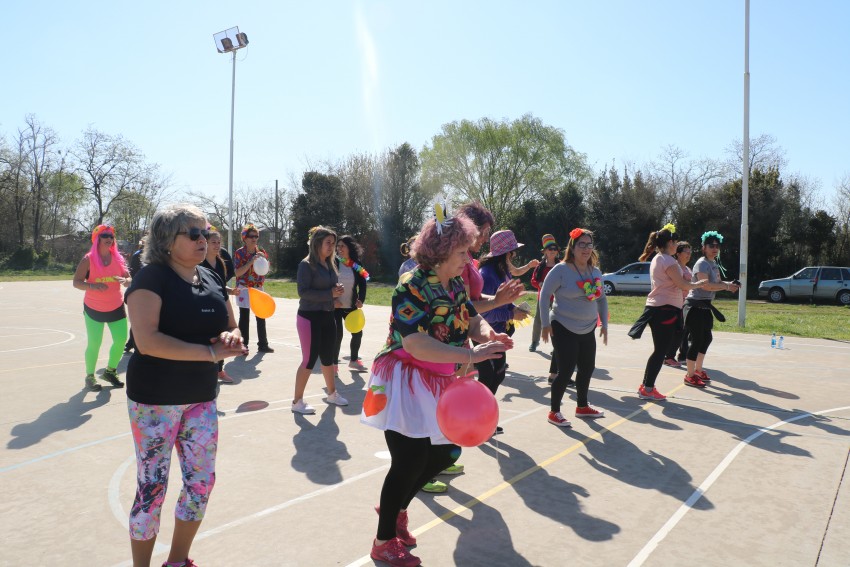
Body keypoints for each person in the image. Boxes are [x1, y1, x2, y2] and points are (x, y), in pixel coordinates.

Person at [361, 212, 510, 567]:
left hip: (439, 379)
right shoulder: (411, 286)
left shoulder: (455, 283)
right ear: (441, 252)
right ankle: (383, 541)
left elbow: (471, 318)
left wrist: (489, 335)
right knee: (409, 459)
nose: (468, 259)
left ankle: (395, 508)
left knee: (445, 453)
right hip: (405, 378)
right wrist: (469, 355)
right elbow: (415, 344)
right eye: (461, 252)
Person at [124, 204, 246, 567]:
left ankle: (177, 561)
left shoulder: (210, 277)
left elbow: (232, 324)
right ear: (166, 240)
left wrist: (232, 337)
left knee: (200, 483)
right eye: (192, 234)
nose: (203, 239)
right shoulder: (150, 279)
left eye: (204, 232)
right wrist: (209, 353)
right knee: (152, 488)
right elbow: (148, 341)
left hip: (200, 398)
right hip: (155, 401)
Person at [539, 228, 609, 426]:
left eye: (589, 244)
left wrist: (604, 323)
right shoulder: (560, 270)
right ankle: (554, 412)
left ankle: (582, 407)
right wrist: (545, 324)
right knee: (566, 370)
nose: (586, 249)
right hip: (562, 325)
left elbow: (601, 299)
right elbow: (544, 296)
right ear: (572, 247)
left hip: (588, 327)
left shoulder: (595, 271)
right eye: (581, 244)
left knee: (587, 368)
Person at [632, 224, 707, 400]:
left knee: (660, 350)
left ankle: (646, 386)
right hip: (665, 309)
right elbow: (682, 284)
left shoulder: (659, 259)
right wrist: (698, 284)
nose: (677, 245)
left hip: (658, 308)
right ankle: (647, 388)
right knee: (660, 351)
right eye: (675, 242)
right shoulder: (669, 261)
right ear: (670, 243)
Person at [292, 226, 349, 414]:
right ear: (317, 243)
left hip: (327, 315)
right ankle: (297, 402)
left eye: (333, 243)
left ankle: (332, 394)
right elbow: (303, 292)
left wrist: (337, 292)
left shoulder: (331, 263)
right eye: (328, 243)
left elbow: (329, 289)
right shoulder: (306, 265)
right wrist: (330, 294)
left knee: (328, 357)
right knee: (309, 360)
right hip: (309, 317)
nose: (332, 247)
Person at [477, 229, 529, 432]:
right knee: (488, 377)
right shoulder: (488, 274)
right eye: (512, 252)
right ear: (506, 253)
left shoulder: (502, 271)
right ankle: (478, 420)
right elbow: (485, 313)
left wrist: (513, 309)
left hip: (498, 335)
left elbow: (503, 302)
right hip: (484, 334)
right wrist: (510, 315)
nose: (513, 255)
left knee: (497, 376)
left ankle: (483, 419)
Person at [72, 224, 131, 391]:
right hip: (94, 308)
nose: (109, 239)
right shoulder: (88, 259)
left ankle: (110, 371)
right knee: (94, 343)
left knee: (120, 340)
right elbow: (76, 282)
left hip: (116, 306)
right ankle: (90, 376)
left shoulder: (118, 259)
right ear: (97, 239)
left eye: (111, 236)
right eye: (105, 236)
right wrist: (92, 286)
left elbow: (129, 279)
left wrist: (126, 281)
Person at [683, 231, 740, 384]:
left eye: (717, 246)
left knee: (707, 338)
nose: (715, 248)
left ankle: (698, 370)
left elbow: (718, 283)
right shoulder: (702, 263)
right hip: (694, 306)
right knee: (696, 340)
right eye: (711, 246)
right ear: (704, 247)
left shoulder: (714, 264)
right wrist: (726, 287)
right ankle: (689, 375)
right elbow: (706, 286)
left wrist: (730, 284)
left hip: (705, 306)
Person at [201, 225, 240, 383]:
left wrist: (230, 291)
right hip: (204, 306)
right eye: (213, 242)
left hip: (219, 306)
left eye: (218, 242)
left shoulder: (220, 262)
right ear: (206, 243)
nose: (217, 245)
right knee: (207, 338)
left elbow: (220, 286)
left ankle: (219, 371)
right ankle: (206, 370)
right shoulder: (200, 263)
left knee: (222, 335)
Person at [233, 224, 274, 354]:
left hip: (258, 287)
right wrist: (251, 261)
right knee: (244, 317)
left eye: (256, 236)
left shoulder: (261, 250)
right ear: (245, 238)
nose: (254, 239)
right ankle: (243, 345)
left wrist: (264, 259)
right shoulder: (239, 253)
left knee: (261, 316)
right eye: (251, 236)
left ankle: (263, 344)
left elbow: (265, 270)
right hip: (244, 288)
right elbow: (237, 273)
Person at [334, 234, 369, 373]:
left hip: (351, 306)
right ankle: (333, 366)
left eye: (342, 246)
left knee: (357, 333)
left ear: (349, 248)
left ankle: (354, 361)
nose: (339, 248)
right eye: (338, 246)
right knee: (337, 336)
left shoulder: (356, 265)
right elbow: (327, 283)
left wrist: (361, 299)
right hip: (336, 306)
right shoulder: (333, 262)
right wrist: (332, 300)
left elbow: (363, 284)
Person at [530, 234, 560, 384]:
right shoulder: (540, 266)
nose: (552, 251)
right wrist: (540, 284)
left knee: (555, 322)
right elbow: (533, 280)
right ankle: (534, 341)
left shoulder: (561, 265)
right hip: (543, 298)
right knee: (539, 319)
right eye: (550, 249)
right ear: (545, 251)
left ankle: (556, 347)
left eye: (555, 249)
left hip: (557, 298)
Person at [664, 242, 693, 367]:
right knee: (678, 331)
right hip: (676, 303)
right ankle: (669, 356)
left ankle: (682, 355)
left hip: (687, 303)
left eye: (690, 252)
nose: (689, 254)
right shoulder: (675, 267)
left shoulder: (688, 269)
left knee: (685, 330)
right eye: (686, 252)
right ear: (678, 253)